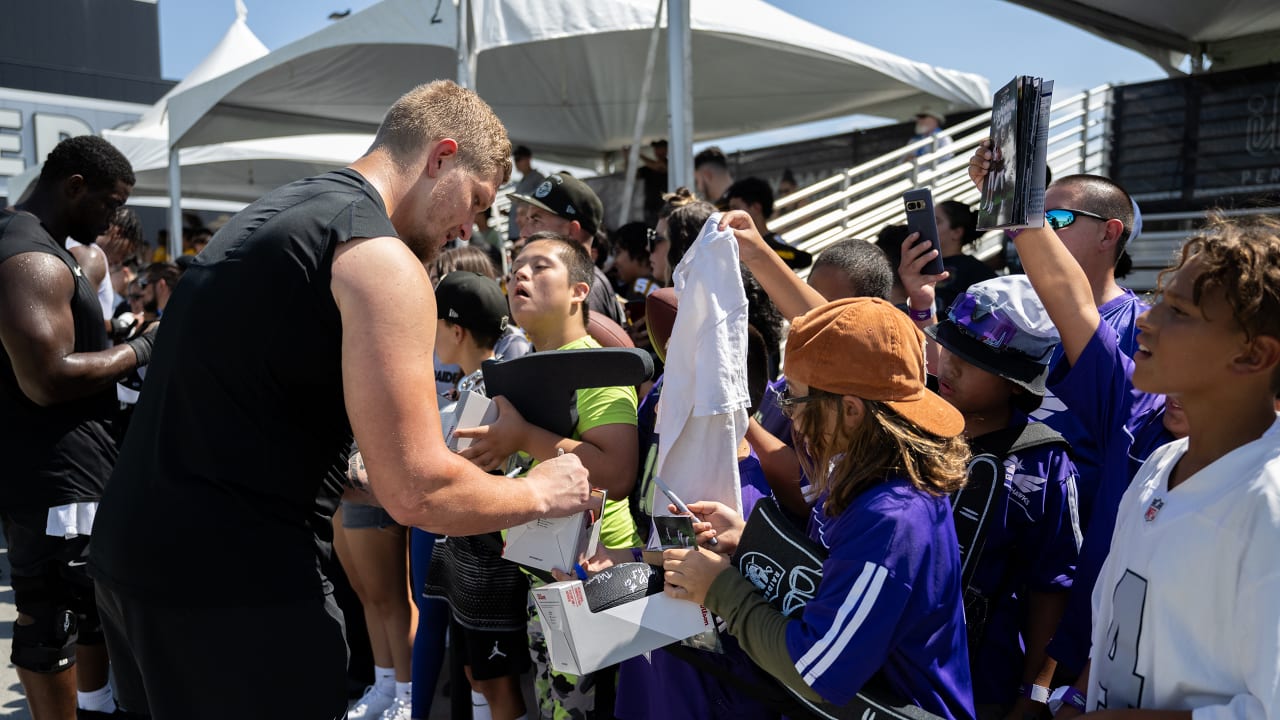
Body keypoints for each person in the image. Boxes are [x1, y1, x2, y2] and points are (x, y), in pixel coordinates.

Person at [88, 80, 592, 720]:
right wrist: (545, 493)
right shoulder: (379, 258)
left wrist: (357, 474)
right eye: (478, 201)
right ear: (441, 157)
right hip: (235, 590)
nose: (472, 226)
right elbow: (419, 493)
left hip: (135, 564)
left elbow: (248, 405)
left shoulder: (273, 213)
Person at [662, 209, 976, 720]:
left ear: (851, 410)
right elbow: (833, 580)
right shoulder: (868, 470)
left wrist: (720, 589)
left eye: (798, 403)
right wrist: (751, 543)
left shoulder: (893, 518)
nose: (791, 417)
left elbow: (817, 670)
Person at [1068, 216, 1280, 718]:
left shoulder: (1266, 503)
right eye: (1161, 299)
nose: (1147, 318)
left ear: (1254, 355)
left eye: (1179, 311)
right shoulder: (1162, 461)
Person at [455, 232, 640, 720]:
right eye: (516, 266)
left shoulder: (598, 370)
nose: (520, 274)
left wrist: (521, 436)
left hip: (598, 585)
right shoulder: (526, 368)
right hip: (550, 584)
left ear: (579, 291)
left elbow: (617, 472)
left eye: (539, 267)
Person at [0, 134, 150, 720]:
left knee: (83, 613)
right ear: (74, 187)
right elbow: (47, 377)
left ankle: (94, 709)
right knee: (52, 618)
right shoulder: (31, 256)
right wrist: (142, 349)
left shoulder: (39, 247)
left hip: (65, 470)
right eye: (110, 203)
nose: (115, 218)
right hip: (56, 476)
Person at [421, 270, 533, 720]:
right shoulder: (475, 384)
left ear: (456, 330)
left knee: (496, 684)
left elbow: (468, 479)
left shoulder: (489, 392)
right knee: (478, 678)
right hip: (469, 560)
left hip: (489, 564)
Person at [510, 170, 626, 326]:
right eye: (528, 220)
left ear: (572, 231)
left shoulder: (584, 291)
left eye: (536, 221)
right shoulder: (575, 286)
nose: (524, 233)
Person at [725, 176, 813, 270]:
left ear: (756, 208)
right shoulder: (733, 246)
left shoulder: (777, 249)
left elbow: (803, 259)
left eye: (735, 208)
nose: (730, 214)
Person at [932, 200, 996, 312]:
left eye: (936, 222)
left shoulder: (975, 272)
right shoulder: (917, 265)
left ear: (957, 232)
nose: (927, 225)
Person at [507, 145, 545, 242]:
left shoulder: (538, 178)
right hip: (516, 231)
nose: (516, 162)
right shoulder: (521, 181)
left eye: (519, 159)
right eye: (515, 159)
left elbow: (538, 201)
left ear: (528, 159)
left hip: (527, 231)